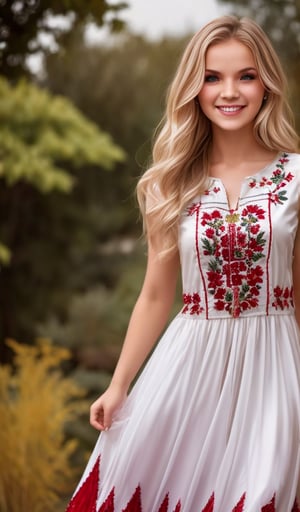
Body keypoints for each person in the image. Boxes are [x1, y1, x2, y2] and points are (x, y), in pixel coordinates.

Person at [66, 15, 300, 512]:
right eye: (212, 77)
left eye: (246, 75)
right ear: (193, 87)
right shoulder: (170, 183)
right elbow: (155, 294)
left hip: (275, 364)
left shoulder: (297, 177)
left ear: (267, 85)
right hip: (190, 367)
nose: (229, 91)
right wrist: (119, 384)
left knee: (262, 492)